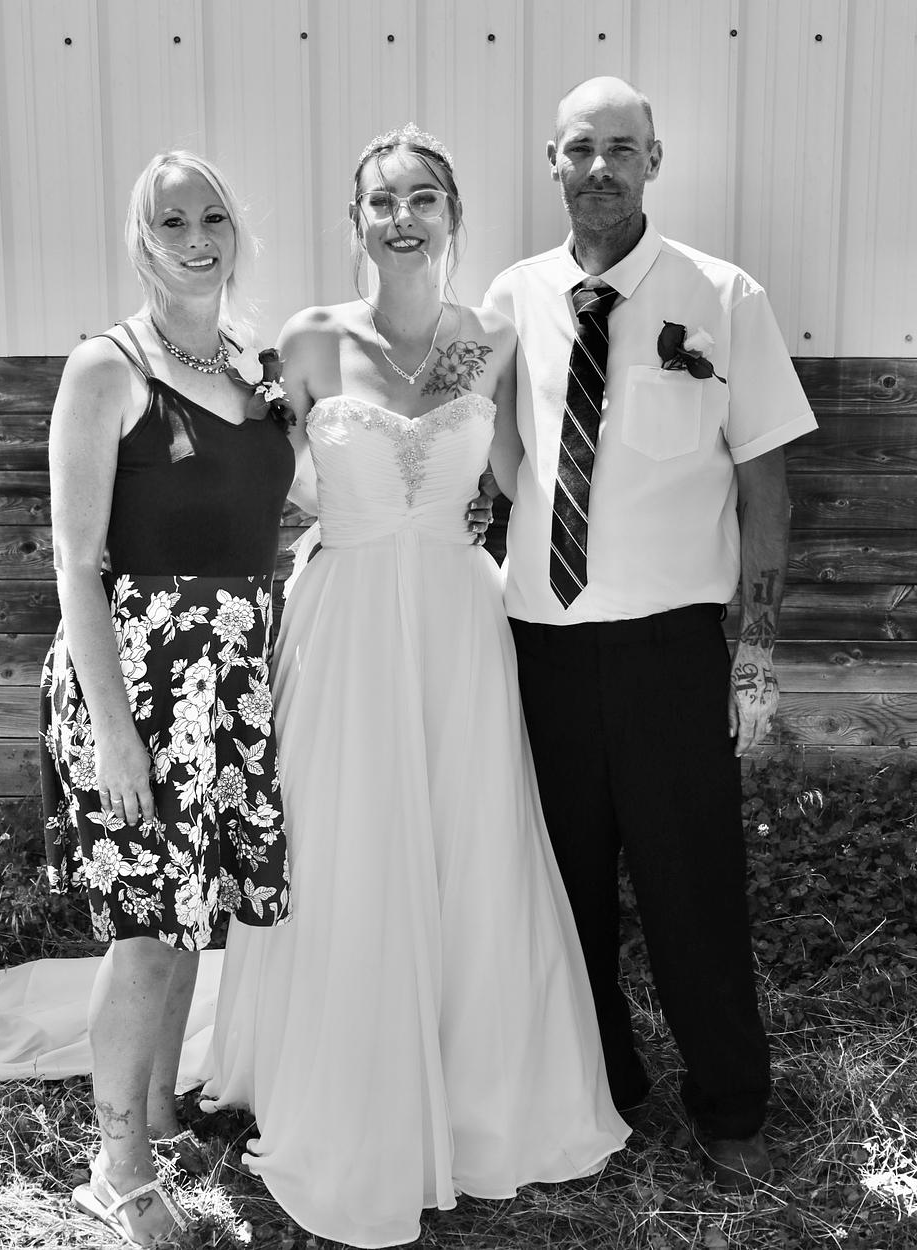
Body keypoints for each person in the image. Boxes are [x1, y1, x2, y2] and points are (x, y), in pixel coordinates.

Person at [200, 123, 629, 1248]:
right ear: (355, 221)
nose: (403, 218)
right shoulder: (306, 339)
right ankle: (340, 1080)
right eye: (382, 201)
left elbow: (526, 478)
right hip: (342, 617)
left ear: (453, 215)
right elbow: (251, 476)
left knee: (467, 837)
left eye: (423, 198)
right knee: (346, 835)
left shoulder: (489, 341)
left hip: (454, 618)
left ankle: (479, 1090)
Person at [483, 78, 818, 1189]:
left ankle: (731, 1105)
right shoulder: (509, 298)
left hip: (671, 652)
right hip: (540, 646)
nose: (600, 168)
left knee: (694, 888)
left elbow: (765, 484)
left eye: (622, 148)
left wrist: (755, 650)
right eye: (580, 148)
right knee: (560, 889)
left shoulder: (723, 295)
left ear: (654, 162)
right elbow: (484, 447)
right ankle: (601, 1089)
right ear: (552, 160)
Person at [39, 149, 294, 1245]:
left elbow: (275, 509)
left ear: (237, 233)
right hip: (138, 679)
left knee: (192, 911)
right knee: (148, 926)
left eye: (213, 218)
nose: (197, 239)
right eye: (171, 222)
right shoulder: (107, 368)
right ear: (141, 242)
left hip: (227, 677)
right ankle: (118, 1172)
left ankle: (155, 1114)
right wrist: (113, 730)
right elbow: (74, 560)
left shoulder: (249, 370)